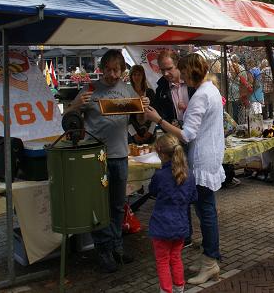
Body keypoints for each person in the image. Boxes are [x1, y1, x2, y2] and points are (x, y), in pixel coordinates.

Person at [145, 53, 225, 285]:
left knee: (206, 212)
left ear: (189, 72)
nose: (179, 75)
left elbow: (188, 134)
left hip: (202, 158)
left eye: (181, 71)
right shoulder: (209, 89)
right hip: (209, 154)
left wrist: (159, 120)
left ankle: (211, 261)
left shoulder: (201, 95)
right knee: (205, 211)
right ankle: (208, 257)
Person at [68, 49, 149, 273]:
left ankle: (117, 247)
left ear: (122, 71)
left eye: (117, 70)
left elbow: (140, 119)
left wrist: (143, 105)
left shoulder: (127, 89)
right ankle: (103, 250)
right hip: (96, 158)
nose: (113, 75)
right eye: (109, 70)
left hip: (120, 155)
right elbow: (67, 118)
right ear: (102, 69)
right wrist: (75, 105)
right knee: (99, 205)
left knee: (117, 205)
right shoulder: (90, 89)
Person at [149, 134, 197, 293]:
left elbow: (152, 191)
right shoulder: (189, 175)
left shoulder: (160, 175)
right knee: (176, 258)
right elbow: (193, 197)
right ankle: (179, 287)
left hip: (161, 226)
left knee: (162, 261)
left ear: (160, 153)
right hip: (181, 224)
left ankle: (166, 290)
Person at [154, 50, 190, 126]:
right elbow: (160, 114)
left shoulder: (193, 83)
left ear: (178, 65)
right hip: (174, 132)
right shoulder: (160, 90)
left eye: (169, 69)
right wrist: (170, 125)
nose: (165, 73)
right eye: (162, 70)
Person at [129, 65, 156, 145]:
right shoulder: (127, 92)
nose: (137, 77)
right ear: (131, 76)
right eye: (134, 74)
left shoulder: (150, 92)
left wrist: (150, 131)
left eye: (139, 74)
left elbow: (155, 112)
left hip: (149, 133)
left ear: (143, 76)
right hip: (132, 134)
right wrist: (134, 134)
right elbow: (126, 117)